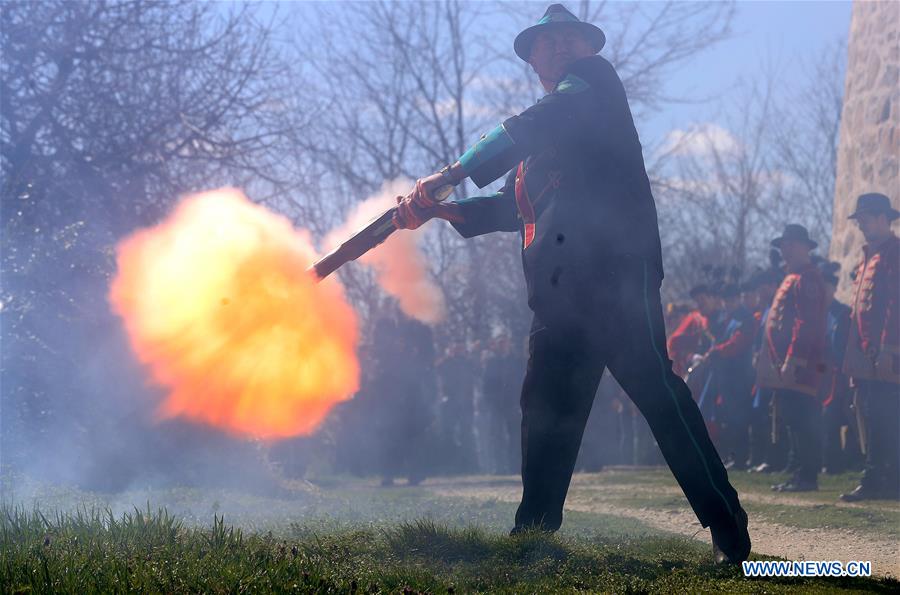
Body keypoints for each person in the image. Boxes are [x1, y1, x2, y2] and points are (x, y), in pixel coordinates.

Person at [392, 4, 749, 563]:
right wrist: (440, 212)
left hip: (615, 277)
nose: (557, 48)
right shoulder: (534, 150)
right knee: (546, 412)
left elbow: (532, 123)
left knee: (659, 397)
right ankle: (534, 537)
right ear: (532, 57)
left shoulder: (594, 87)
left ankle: (729, 530)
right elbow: (511, 210)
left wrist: (449, 173)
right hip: (559, 298)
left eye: (568, 40)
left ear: (586, 50)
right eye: (546, 43)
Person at [755, 225, 827, 492]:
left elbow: (805, 323)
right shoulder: (792, 277)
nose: (785, 250)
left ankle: (807, 476)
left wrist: (793, 360)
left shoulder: (807, 277)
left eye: (791, 244)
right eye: (783, 245)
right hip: (785, 362)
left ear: (805, 247)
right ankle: (798, 472)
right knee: (793, 418)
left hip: (801, 364)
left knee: (802, 418)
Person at [839, 193, 900, 502]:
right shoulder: (870, 256)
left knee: (885, 416)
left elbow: (895, 304)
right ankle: (881, 477)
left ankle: (880, 478)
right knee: (876, 415)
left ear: (881, 218)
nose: (861, 224)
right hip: (869, 353)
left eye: (864, 218)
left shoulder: (894, 253)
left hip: (887, 353)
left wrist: (889, 348)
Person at [707, 284, 757, 470]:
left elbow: (737, 344)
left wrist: (716, 351)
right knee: (728, 417)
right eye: (725, 300)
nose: (727, 303)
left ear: (737, 299)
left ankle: (740, 458)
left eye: (730, 300)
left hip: (739, 375)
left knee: (739, 419)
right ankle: (732, 455)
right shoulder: (728, 318)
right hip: (726, 376)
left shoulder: (745, 319)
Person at [819, 266, 857, 475]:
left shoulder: (842, 313)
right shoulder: (816, 314)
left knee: (842, 416)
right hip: (822, 375)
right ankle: (830, 461)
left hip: (840, 374)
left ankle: (840, 462)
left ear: (833, 289)